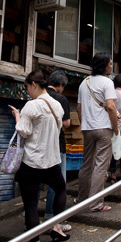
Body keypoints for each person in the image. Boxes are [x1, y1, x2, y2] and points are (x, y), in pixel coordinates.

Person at [10, 71, 70, 242]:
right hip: (52, 161)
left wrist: (17, 117)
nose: (28, 92)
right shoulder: (58, 105)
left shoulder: (31, 105)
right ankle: (56, 226)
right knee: (60, 189)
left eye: (27, 87)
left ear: (34, 84)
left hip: (31, 162)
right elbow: (59, 127)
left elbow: (24, 132)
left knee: (31, 205)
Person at [77, 53, 119, 212]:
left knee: (87, 164)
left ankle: (82, 199)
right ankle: (95, 203)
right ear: (104, 65)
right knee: (101, 165)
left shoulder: (84, 82)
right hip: (103, 128)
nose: (111, 66)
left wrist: (84, 124)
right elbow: (111, 106)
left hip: (87, 128)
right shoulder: (107, 82)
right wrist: (115, 128)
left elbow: (79, 108)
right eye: (109, 63)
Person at [43, 71, 72, 233]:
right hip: (57, 144)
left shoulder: (39, 96)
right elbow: (66, 123)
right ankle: (53, 220)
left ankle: (38, 217)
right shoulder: (61, 99)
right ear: (60, 84)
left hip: (40, 146)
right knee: (58, 184)